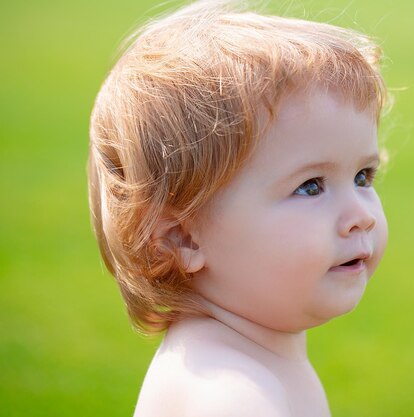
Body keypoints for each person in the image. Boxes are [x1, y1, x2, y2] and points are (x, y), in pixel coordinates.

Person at [88, 1, 389, 415]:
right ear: (183, 237)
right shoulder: (232, 395)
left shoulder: (249, 360)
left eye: (363, 177)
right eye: (310, 186)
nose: (363, 215)